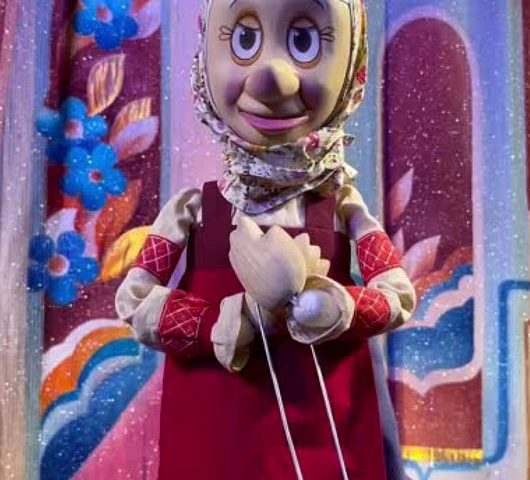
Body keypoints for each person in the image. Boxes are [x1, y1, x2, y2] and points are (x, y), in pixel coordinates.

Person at [116, 0, 416, 478]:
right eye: (244, 40)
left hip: (327, 430)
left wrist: (338, 307)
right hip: (214, 433)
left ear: (351, 68)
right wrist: (217, 324)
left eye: (304, 41)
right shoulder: (193, 209)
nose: (271, 78)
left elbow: (397, 294)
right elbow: (134, 300)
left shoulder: (345, 208)